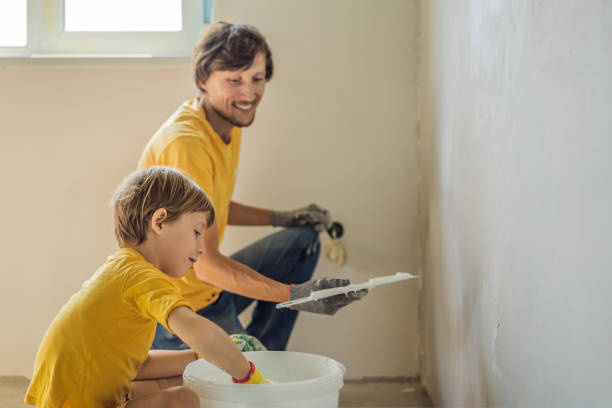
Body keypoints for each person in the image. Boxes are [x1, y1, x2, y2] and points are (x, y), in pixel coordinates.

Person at [138, 22, 367, 352]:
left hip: (208, 290)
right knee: (254, 385)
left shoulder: (225, 121)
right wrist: (297, 295)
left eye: (256, 79)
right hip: (179, 311)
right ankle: (258, 373)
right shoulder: (187, 145)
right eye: (234, 81)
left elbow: (213, 207)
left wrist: (282, 217)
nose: (248, 94)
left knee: (302, 241)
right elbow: (206, 264)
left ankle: (266, 357)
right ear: (203, 79)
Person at [25, 166, 269, 408]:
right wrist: (251, 376)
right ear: (160, 222)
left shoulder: (123, 272)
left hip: (71, 399)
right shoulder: (142, 276)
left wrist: (200, 357)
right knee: (184, 399)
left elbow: (136, 365)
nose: (201, 248)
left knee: (185, 380)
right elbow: (197, 331)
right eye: (196, 232)